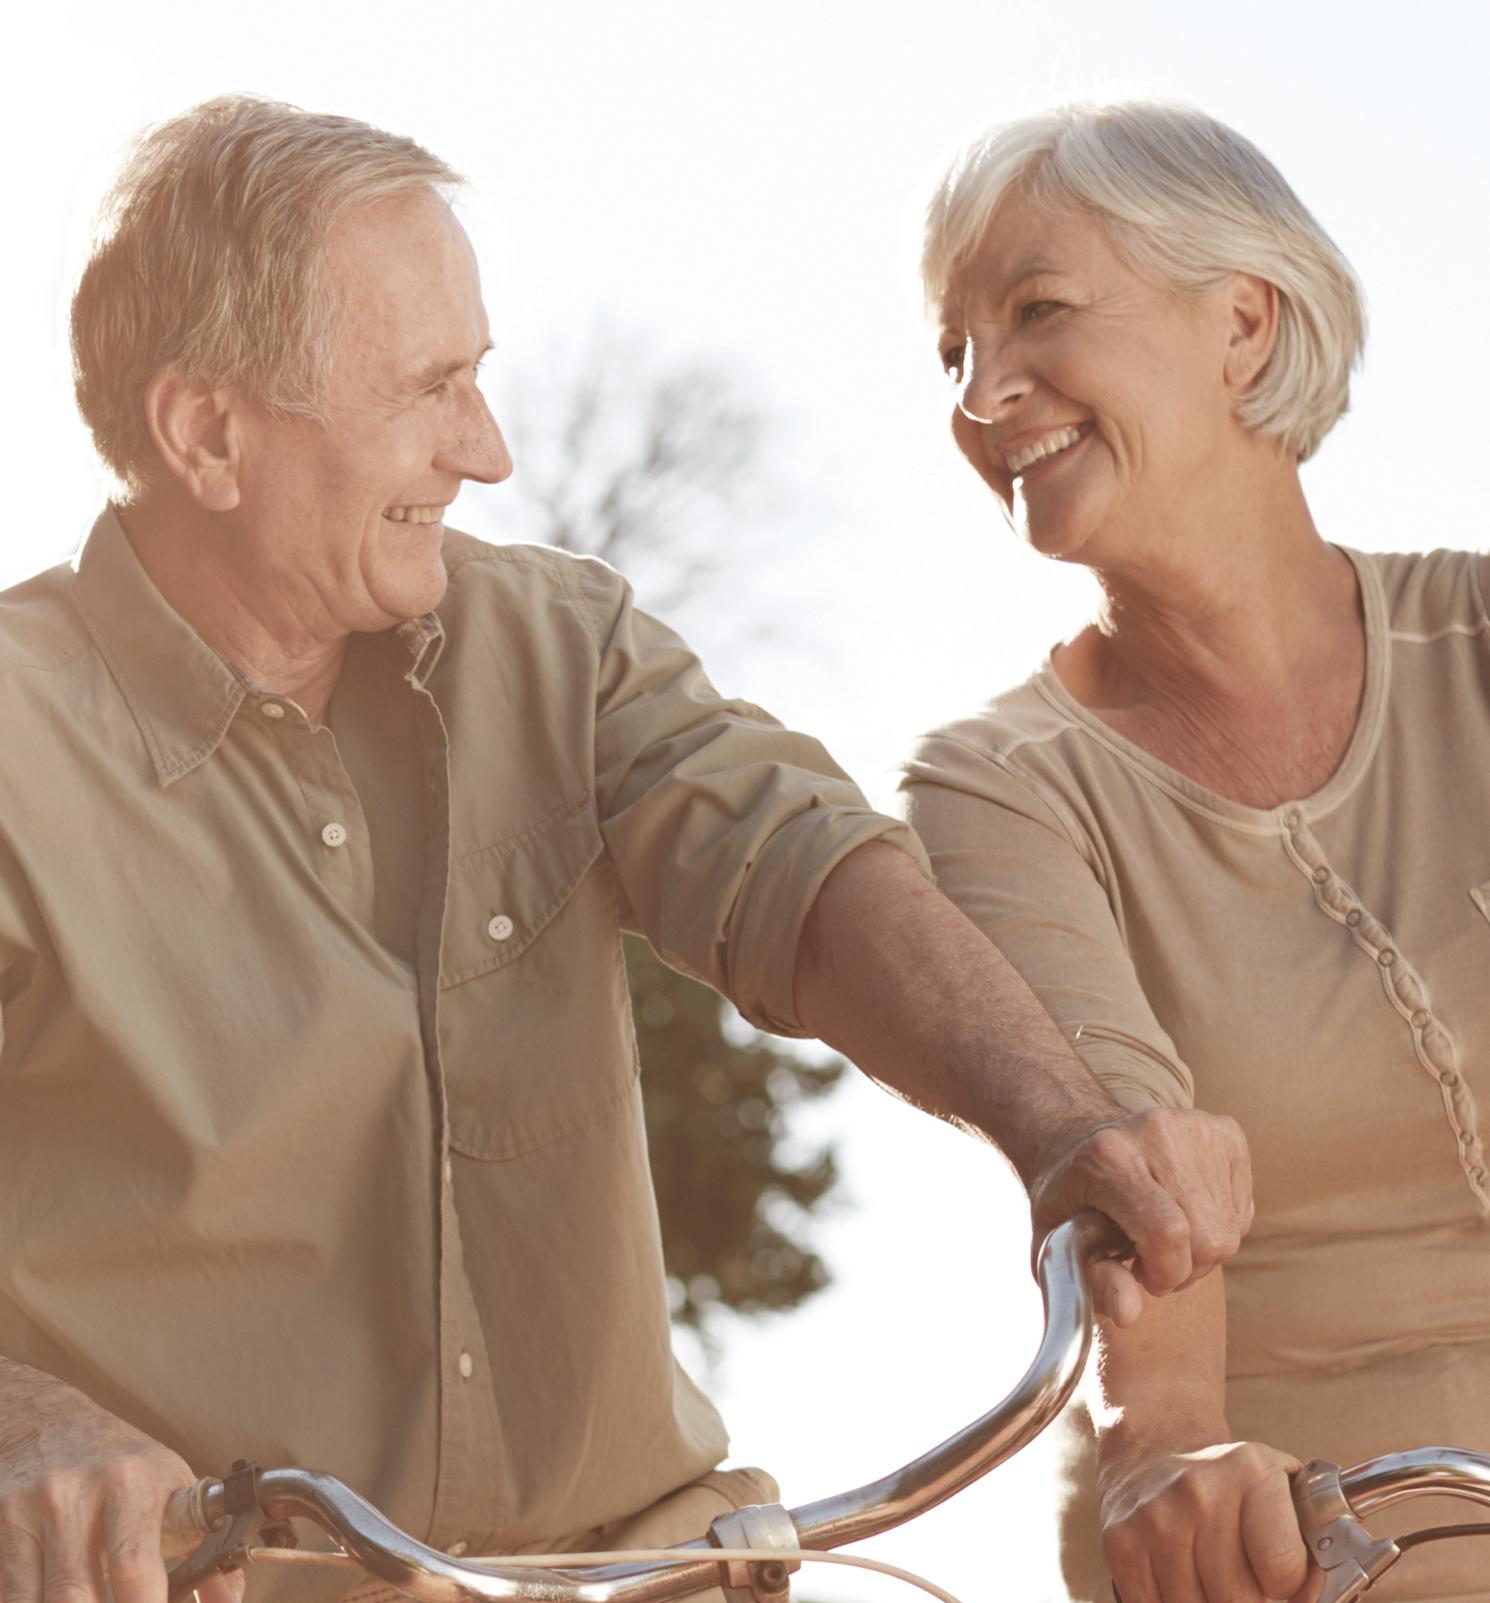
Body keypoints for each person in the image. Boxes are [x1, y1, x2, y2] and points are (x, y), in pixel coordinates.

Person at [0, 95, 1251, 1603]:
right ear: (209, 432)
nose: (489, 448)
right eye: (430, 387)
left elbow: (796, 867)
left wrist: (1058, 1124)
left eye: (482, 377)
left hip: (655, 1572)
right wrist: (21, 1421)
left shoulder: (551, 643)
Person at [902, 99, 1490, 1603]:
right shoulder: (999, 786)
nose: (979, 392)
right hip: (1301, 1548)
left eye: (1032, 310)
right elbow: (1116, 1152)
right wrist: (1160, 1434)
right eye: (951, 350)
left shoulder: (1475, 642)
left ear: (1240, 325)